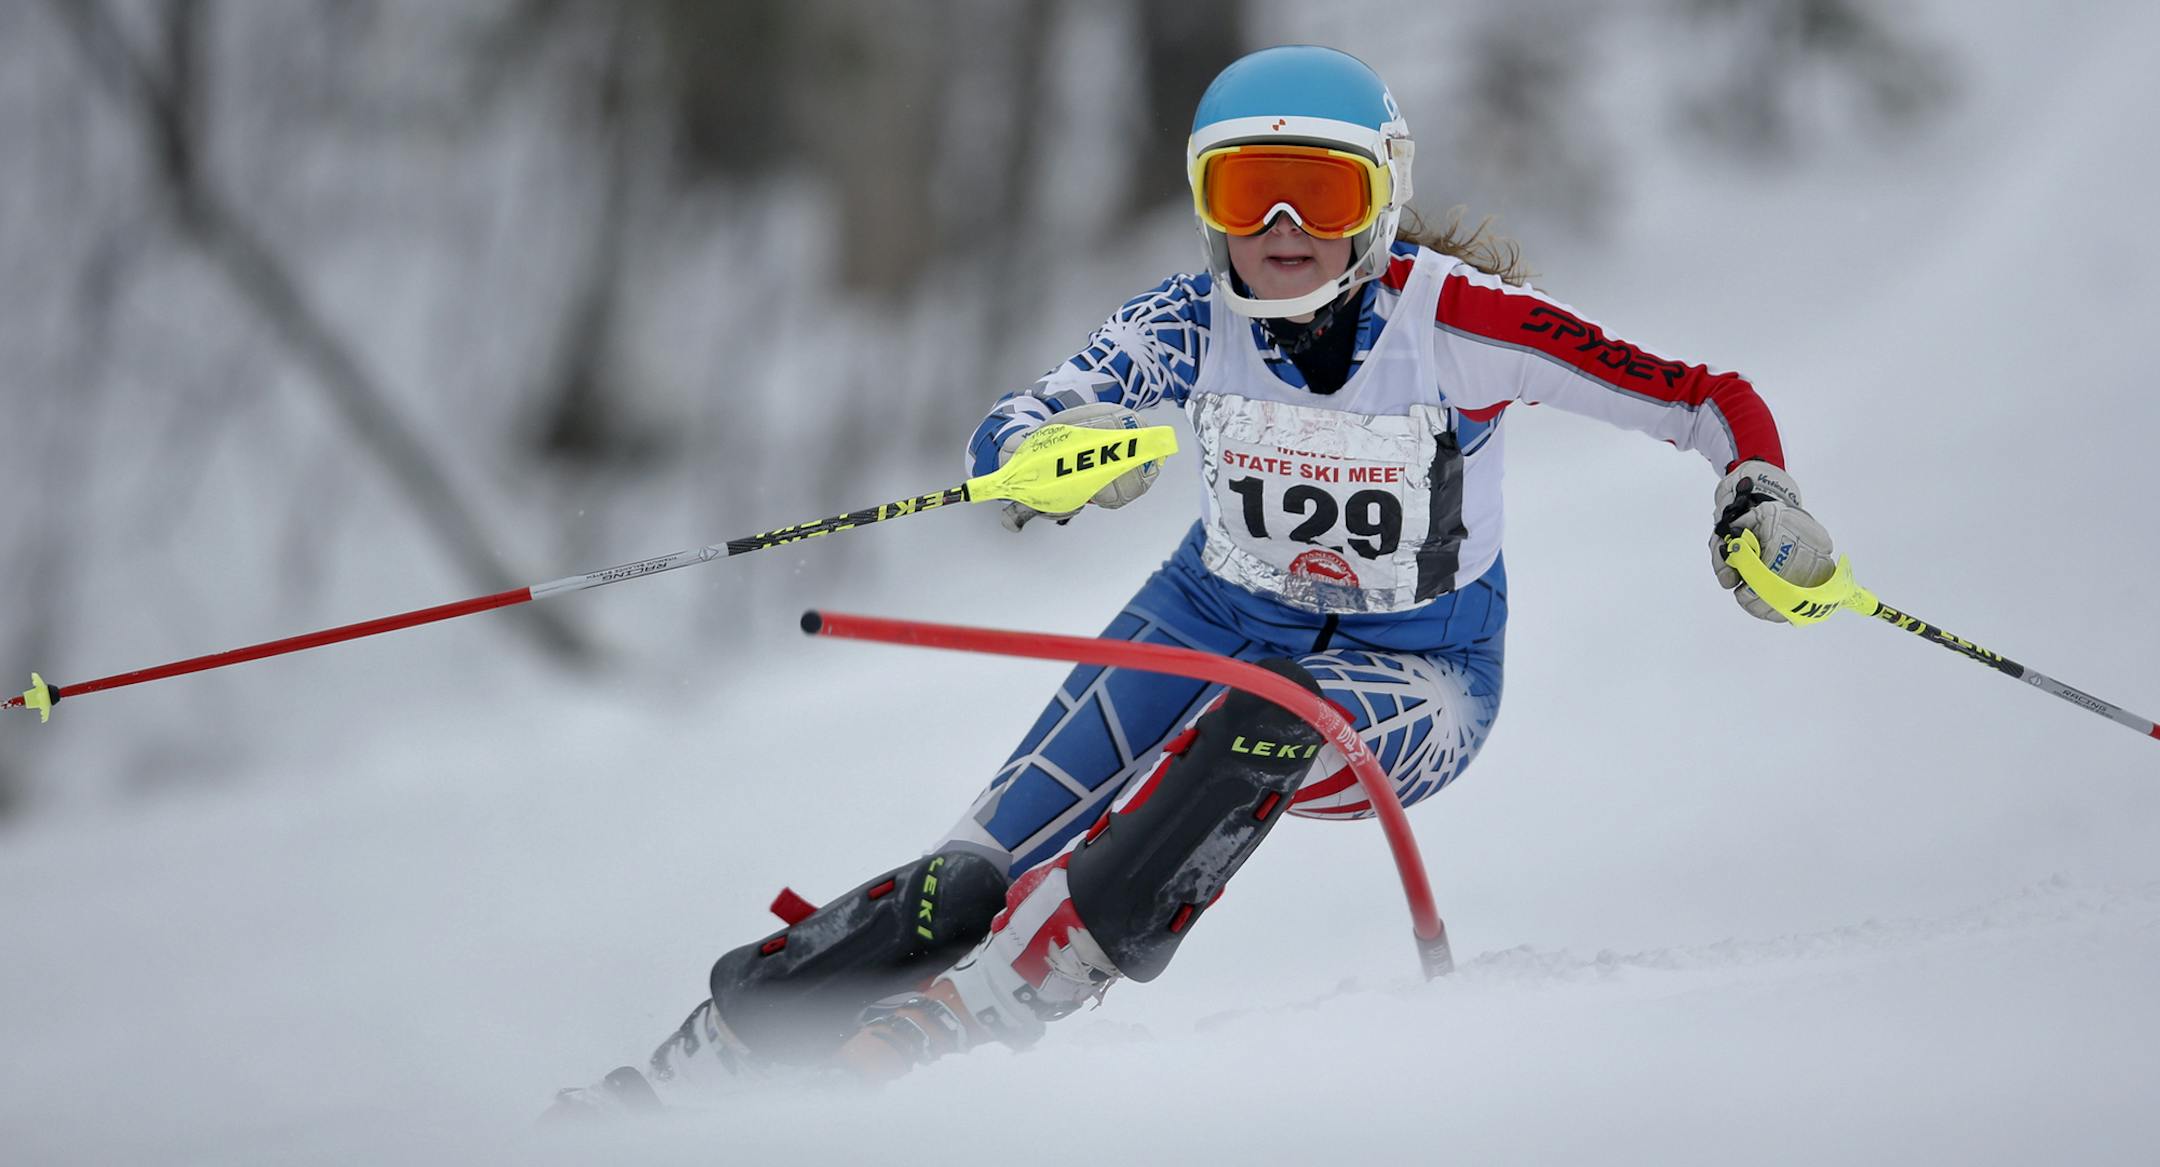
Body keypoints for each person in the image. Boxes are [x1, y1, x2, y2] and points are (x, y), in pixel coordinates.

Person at [549, 44, 1836, 1115]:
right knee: (965, 880)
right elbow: (1040, 411)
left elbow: (1700, 399)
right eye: (1249, 191)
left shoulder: (1462, 326)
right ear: (1206, 200)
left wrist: (1754, 492)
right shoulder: (1189, 319)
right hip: (1203, 617)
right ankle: (684, 1080)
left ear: (1381, 197)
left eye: (1317, 196)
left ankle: (979, 1012)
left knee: (1266, 728)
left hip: (1421, 672)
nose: (1281, 230)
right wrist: (1046, 457)